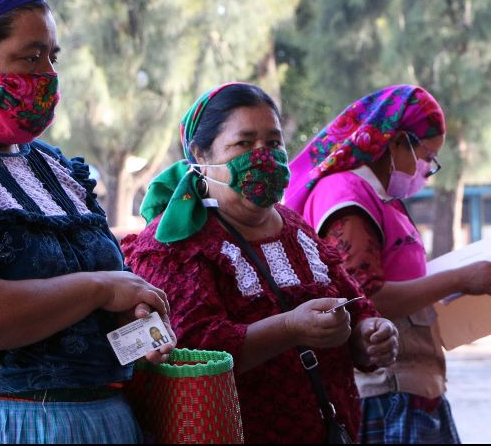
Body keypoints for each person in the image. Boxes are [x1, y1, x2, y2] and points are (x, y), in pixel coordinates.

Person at [0, 0, 175, 444]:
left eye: (52, 58)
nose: (49, 76)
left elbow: (101, 299)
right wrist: (99, 288)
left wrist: (133, 324)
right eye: (30, 57)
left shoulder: (55, 168)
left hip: (105, 421)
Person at [122, 82, 400, 444]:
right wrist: (290, 329)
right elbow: (191, 351)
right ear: (199, 154)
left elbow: (353, 300)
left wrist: (369, 335)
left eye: (273, 143)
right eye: (244, 143)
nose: (263, 156)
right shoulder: (175, 243)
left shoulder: (296, 227)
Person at [285, 85, 491, 444]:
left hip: (416, 387)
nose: (427, 171)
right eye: (427, 156)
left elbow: (413, 298)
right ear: (397, 141)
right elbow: (365, 300)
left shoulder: (384, 199)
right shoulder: (345, 195)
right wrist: (459, 279)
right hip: (386, 392)